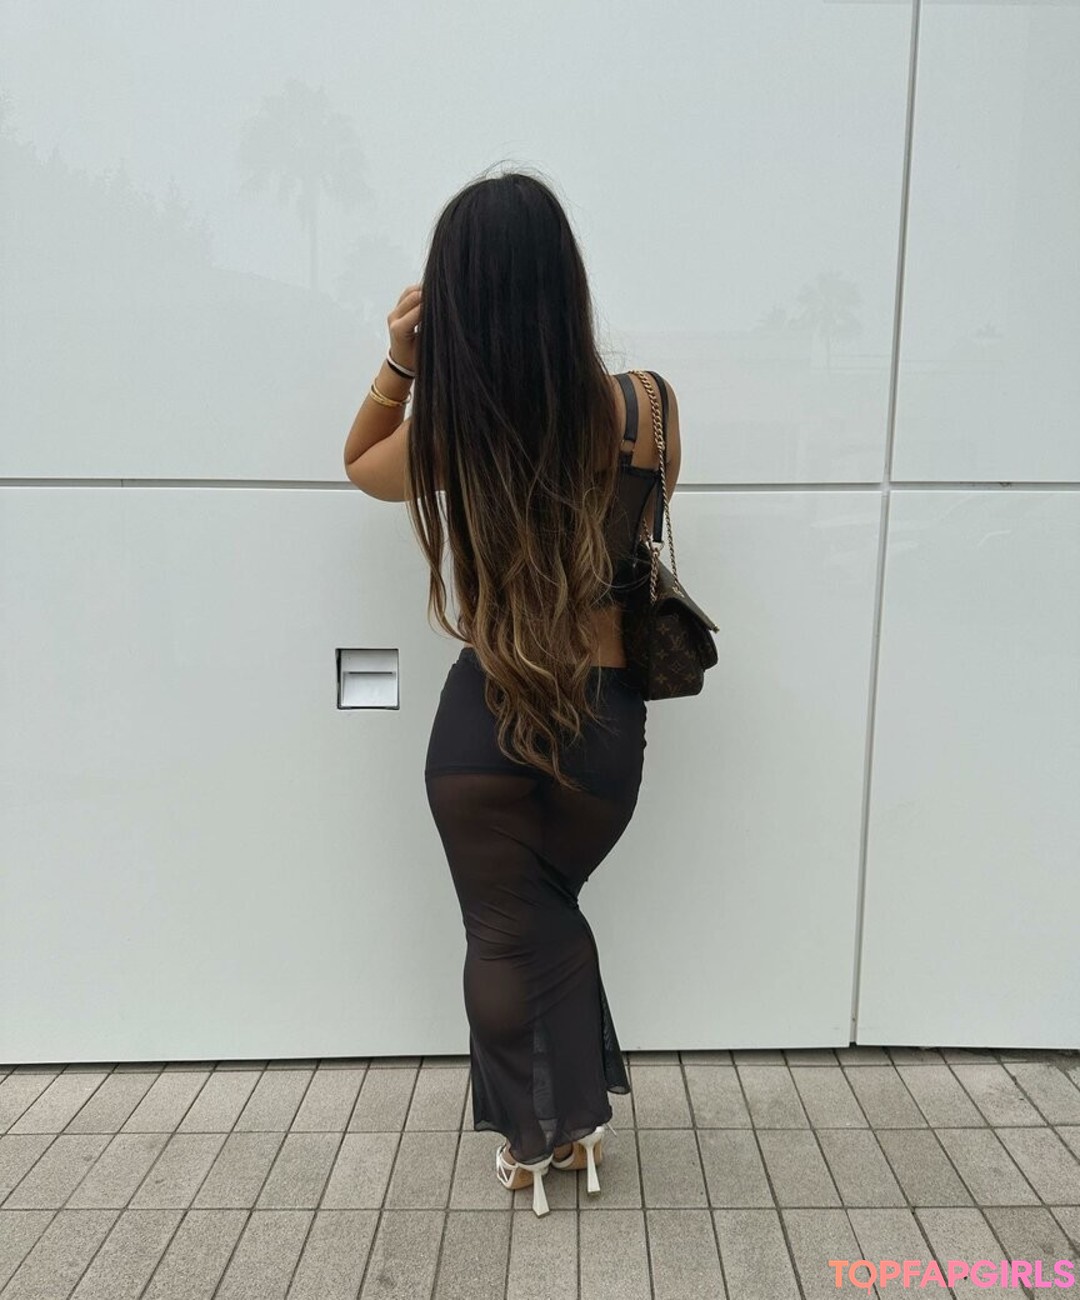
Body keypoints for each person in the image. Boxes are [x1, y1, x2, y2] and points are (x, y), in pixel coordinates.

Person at [343, 167, 682, 1217]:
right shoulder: (647, 408)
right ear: (566, 282)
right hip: (604, 727)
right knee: (549, 913)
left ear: (457, 299)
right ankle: (573, 1131)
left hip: (482, 720)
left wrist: (403, 362)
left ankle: (536, 1141)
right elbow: (639, 520)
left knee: (505, 930)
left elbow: (362, 464)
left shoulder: (457, 431)